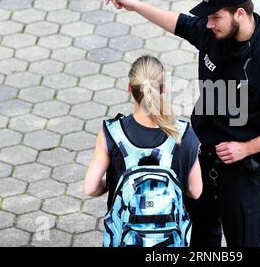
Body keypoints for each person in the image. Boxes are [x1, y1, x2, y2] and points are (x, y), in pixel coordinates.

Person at [103, 0, 260, 247]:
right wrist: (136, 5)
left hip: (240, 170)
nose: (209, 23)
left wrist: (248, 148)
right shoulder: (216, 33)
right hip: (198, 157)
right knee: (198, 238)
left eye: (215, 17)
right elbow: (181, 24)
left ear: (239, 13)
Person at [84, 55, 203, 246]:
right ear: (163, 89)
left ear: (129, 88)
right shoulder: (184, 134)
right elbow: (195, 191)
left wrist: (112, 182)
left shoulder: (112, 133)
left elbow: (90, 187)